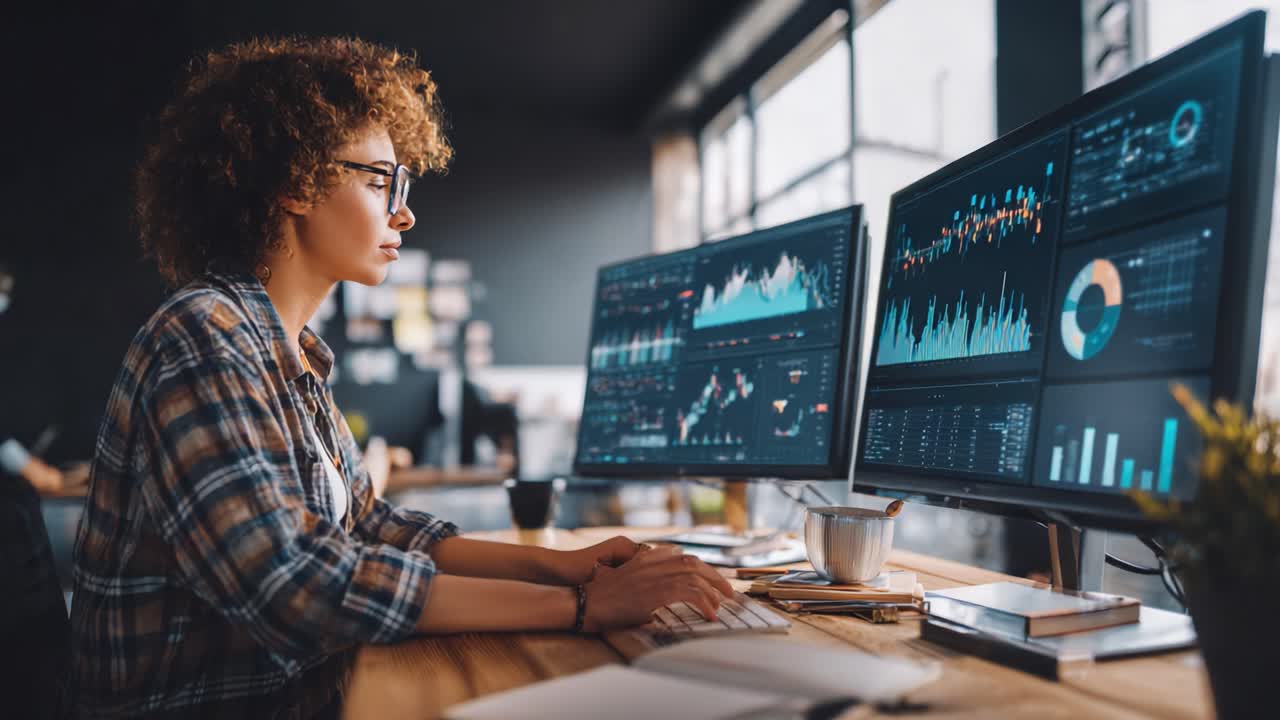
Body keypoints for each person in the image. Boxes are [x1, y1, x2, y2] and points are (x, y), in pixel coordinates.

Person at [68, 37, 734, 718]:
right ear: (296, 182)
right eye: (379, 180)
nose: (404, 213)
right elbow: (293, 584)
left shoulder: (291, 354)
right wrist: (584, 606)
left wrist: (564, 566)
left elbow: (370, 527)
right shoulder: (203, 337)